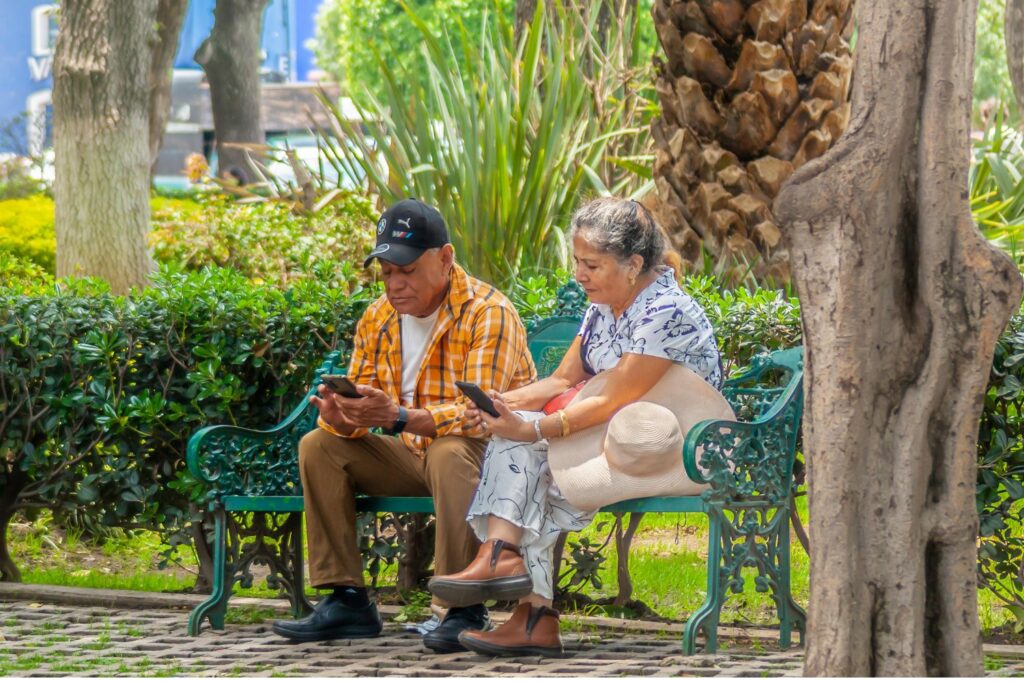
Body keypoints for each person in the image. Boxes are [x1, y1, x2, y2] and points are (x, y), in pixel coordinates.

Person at [427, 197, 728, 657]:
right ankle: (520, 595)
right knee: (525, 452)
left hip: (677, 448)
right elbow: (563, 379)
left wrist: (533, 429)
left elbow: (613, 397)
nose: (579, 275)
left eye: (591, 264)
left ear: (633, 264)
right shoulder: (603, 308)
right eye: (577, 262)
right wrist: (500, 405)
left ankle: (520, 591)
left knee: (530, 457)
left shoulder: (665, 309)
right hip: (616, 440)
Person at [272, 199, 536, 652]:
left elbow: (480, 416)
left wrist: (398, 417)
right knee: (319, 445)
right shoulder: (379, 316)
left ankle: (462, 608)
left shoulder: (487, 312)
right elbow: (366, 405)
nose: (395, 284)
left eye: (407, 270)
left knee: (449, 449)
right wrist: (342, 418)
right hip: (413, 453)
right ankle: (347, 600)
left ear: (445, 258)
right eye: (387, 272)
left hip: (493, 460)